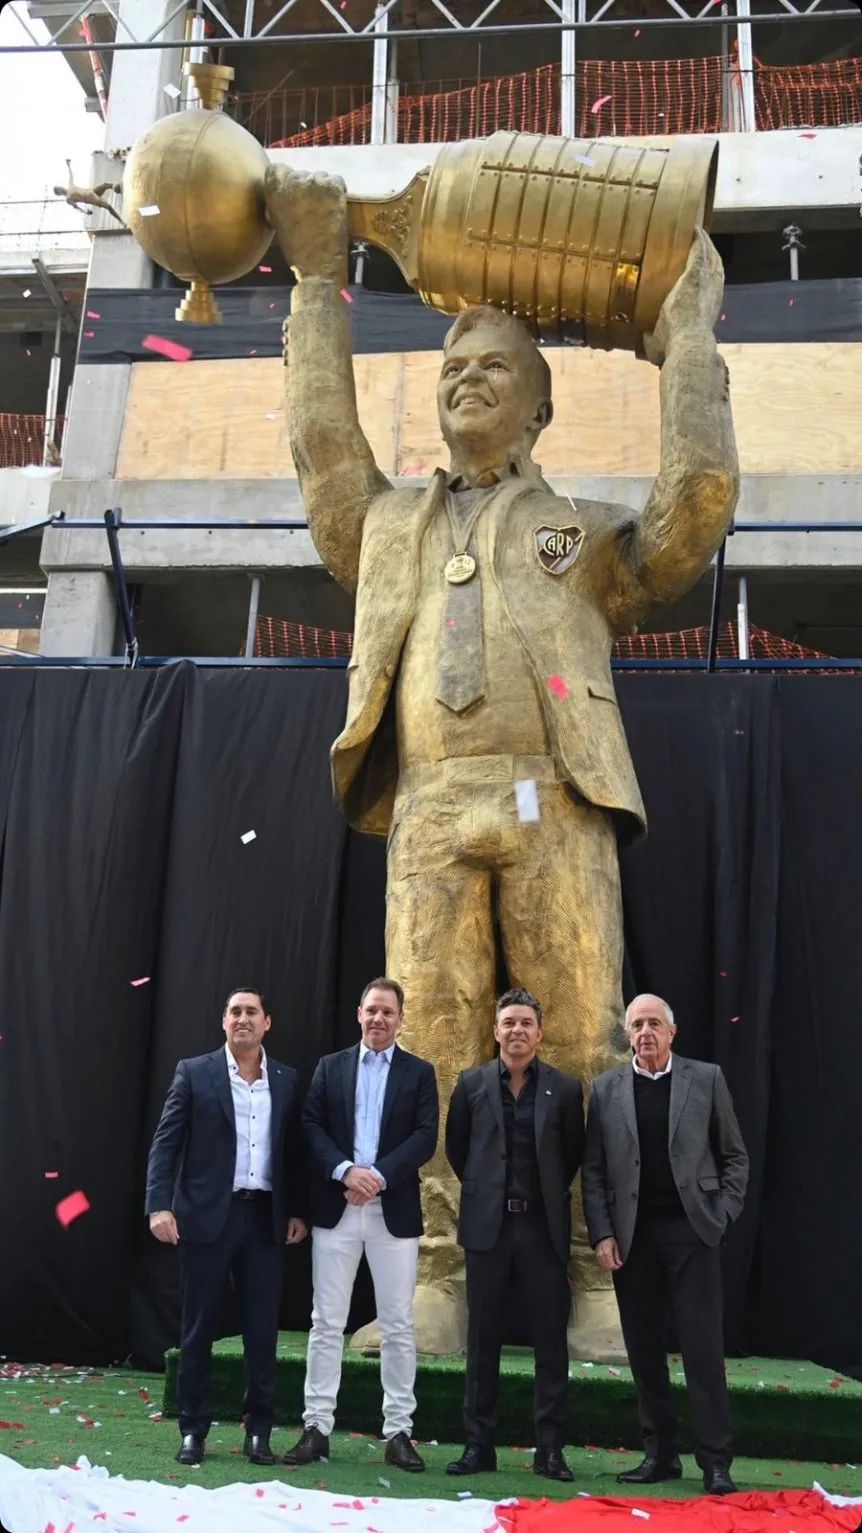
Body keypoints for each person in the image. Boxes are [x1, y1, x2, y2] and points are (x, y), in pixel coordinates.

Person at [264, 163, 738, 1360]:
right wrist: (319, 283)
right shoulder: (388, 531)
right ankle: (429, 1280)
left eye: (496, 372)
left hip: (557, 804)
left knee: (580, 1045)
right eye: (451, 370)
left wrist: (687, 345)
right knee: (425, 1046)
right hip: (429, 807)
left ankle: (593, 1279)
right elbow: (327, 459)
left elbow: (689, 516)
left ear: (539, 410)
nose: (468, 381)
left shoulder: (570, 530)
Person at [582, 993, 749, 1495]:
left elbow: (734, 1157)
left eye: (654, 1023)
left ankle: (716, 1462)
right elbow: (593, 1172)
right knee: (644, 1350)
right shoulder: (607, 1088)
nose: (645, 1032)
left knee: (701, 1349)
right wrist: (604, 1233)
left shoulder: (706, 1079)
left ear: (672, 1032)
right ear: (627, 1035)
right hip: (634, 1239)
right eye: (636, 1025)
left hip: (692, 1233)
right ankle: (660, 1455)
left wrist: (720, 1217)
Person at [146, 987, 307, 1467]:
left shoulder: (286, 1079)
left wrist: (297, 1210)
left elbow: (293, 1154)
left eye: (251, 1012)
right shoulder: (194, 1073)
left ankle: (258, 1431)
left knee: (262, 1332)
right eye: (234, 1012)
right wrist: (159, 1206)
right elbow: (166, 1144)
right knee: (198, 1330)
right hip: (206, 1218)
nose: (243, 1019)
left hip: (264, 1221)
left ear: (267, 1022)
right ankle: (193, 1430)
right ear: (223, 1022)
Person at [284, 978, 438, 1472]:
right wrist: (346, 1172)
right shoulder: (331, 1068)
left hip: (391, 1213)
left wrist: (377, 1178)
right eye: (371, 1010)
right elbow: (310, 1126)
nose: (379, 1019)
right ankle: (316, 1427)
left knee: (397, 1324)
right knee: (326, 1322)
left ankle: (398, 1432)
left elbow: (424, 1136)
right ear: (358, 1013)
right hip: (338, 1207)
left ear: (401, 1019)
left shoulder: (419, 1072)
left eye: (388, 1012)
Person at [444, 988, 585, 1482]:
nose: (517, 1031)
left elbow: (570, 1157)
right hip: (489, 1228)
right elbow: (459, 1152)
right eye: (509, 1023)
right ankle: (479, 1445)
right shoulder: (471, 1084)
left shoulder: (565, 1090)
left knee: (550, 1339)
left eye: (526, 1023)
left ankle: (549, 1449)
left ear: (540, 1033)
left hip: (542, 1228)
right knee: (483, 1339)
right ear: (496, 1030)